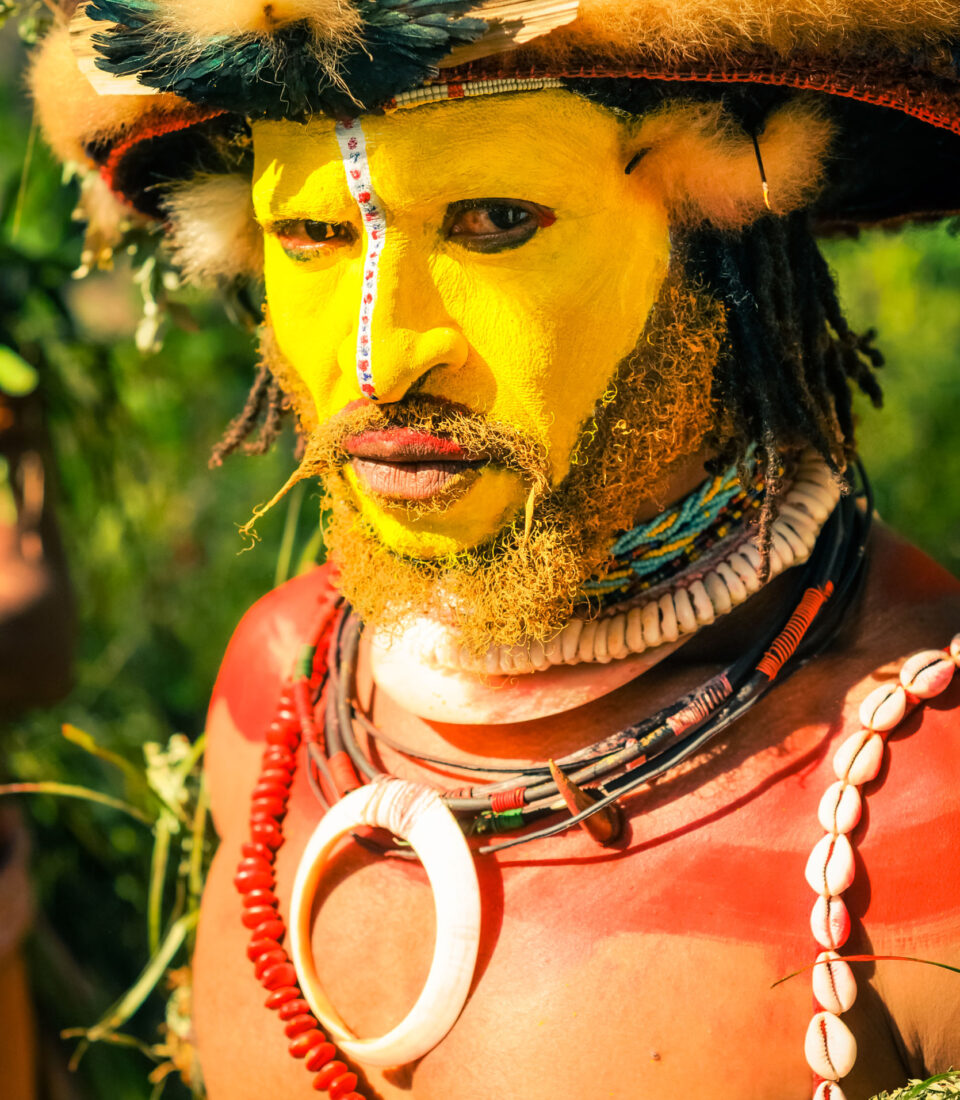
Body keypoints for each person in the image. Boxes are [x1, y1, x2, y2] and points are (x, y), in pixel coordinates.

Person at [26, 1, 960, 1097]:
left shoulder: (918, 788)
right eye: (313, 235)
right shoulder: (287, 681)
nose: (381, 363)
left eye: (495, 220)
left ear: (710, 219)